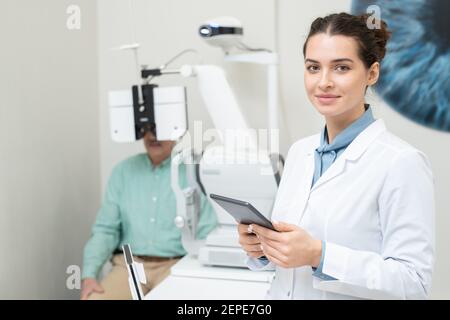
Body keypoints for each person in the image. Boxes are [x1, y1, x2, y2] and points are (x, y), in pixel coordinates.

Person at [238, 12, 435, 299]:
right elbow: (291, 263)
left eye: (341, 68)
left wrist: (320, 255)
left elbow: (414, 283)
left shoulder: (402, 162)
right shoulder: (300, 152)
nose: (324, 82)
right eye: (313, 68)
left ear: (372, 73)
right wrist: (264, 248)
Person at [80, 130, 218, 300]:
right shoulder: (123, 171)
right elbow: (105, 230)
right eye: (148, 128)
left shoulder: (192, 172)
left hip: (175, 265)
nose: (153, 136)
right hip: (129, 266)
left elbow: (207, 231)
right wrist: (89, 275)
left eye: (160, 129)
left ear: (175, 132)